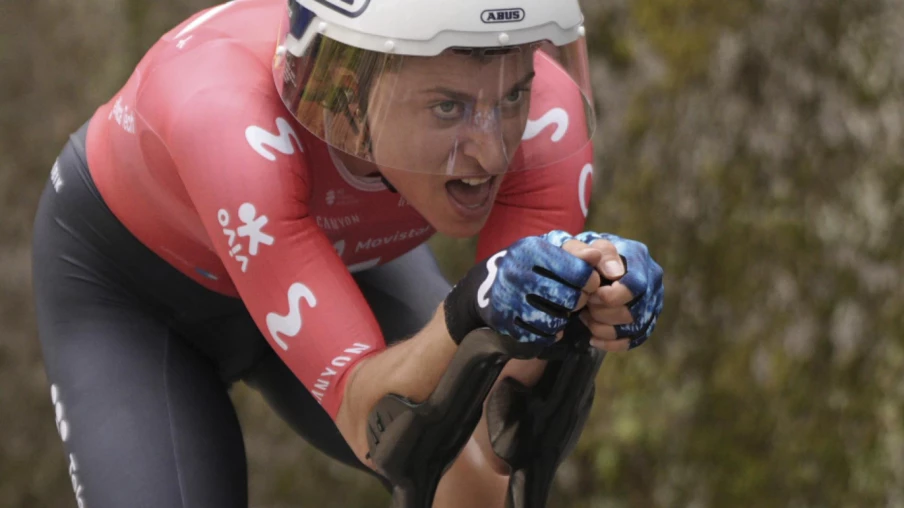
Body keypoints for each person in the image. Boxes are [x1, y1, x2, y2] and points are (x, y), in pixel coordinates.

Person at [30, 0, 665, 506]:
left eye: (511, 97)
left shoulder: (549, 119)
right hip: (136, 296)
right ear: (345, 95)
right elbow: (372, 422)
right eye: (448, 107)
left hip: (341, 259)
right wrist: (471, 309)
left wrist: (584, 301)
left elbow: (493, 434)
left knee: (470, 473)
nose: (493, 151)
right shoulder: (226, 118)